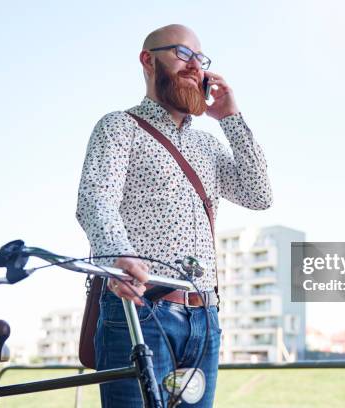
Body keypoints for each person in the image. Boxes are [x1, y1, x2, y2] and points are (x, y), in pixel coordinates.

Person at [76, 24, 272, 407]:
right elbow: (94, 200)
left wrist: (231, 117)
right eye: (183, 53)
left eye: (200, 58)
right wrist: (119, 255)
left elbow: (259, 194)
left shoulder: (208, 145)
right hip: (138, 309)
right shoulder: (119, 126)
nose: (195, 65)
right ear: (148, 60)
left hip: (205, 317)